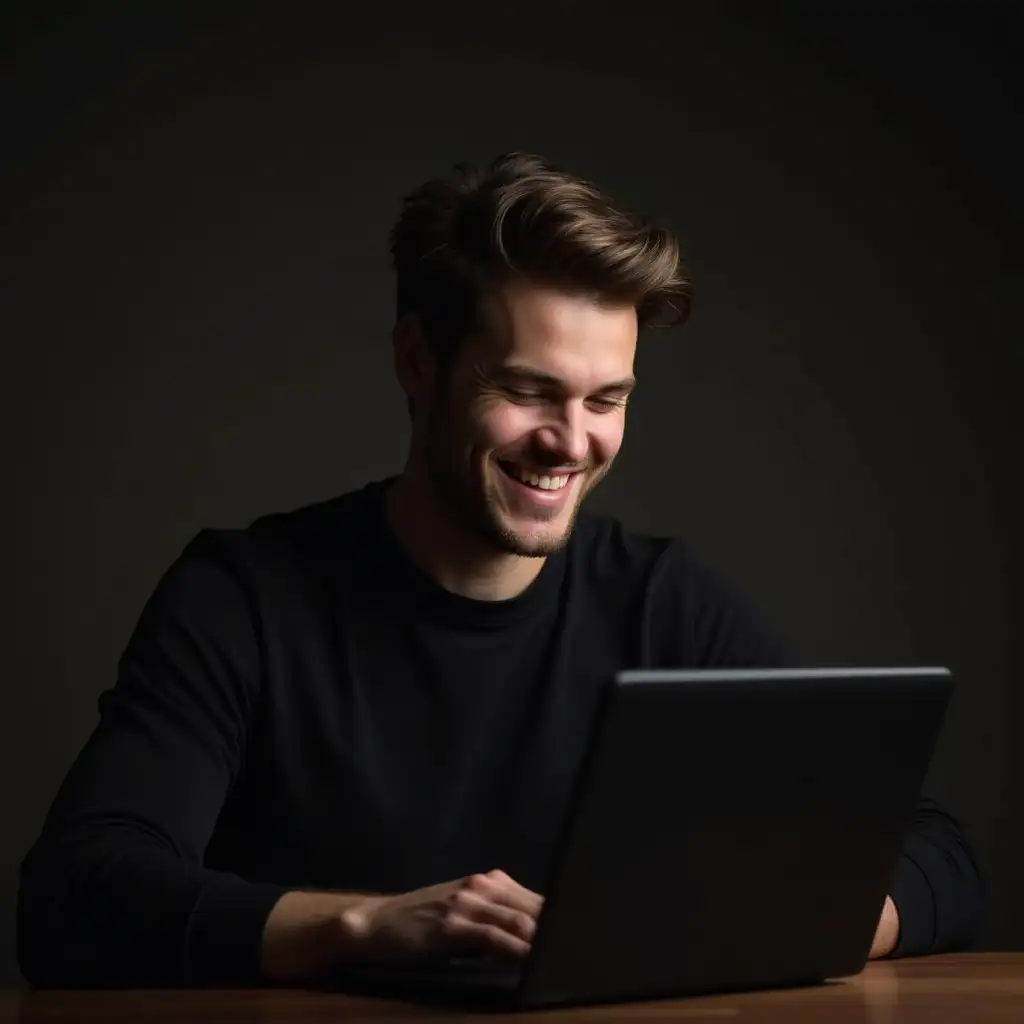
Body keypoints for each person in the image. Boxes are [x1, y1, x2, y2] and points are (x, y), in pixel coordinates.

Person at [17, 152, 983, 989]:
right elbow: (73, 896)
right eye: (526, 391)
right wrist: (364, 928)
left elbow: (936, 852)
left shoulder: (664, 605)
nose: (572, 442)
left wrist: (760, 929)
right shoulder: (244, 597)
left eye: (608, 398)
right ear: (415, 361)